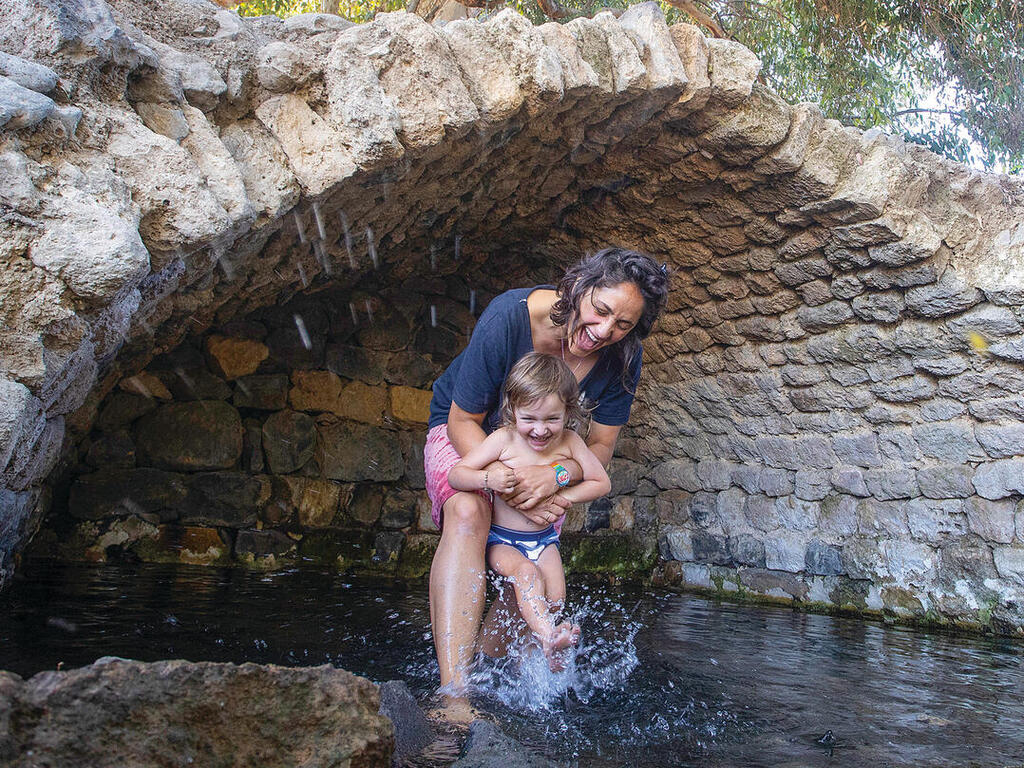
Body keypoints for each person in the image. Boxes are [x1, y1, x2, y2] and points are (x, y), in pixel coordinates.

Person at [424, 247, 669, 719]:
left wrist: (554, 476)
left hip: (549, 459)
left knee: (536, 568)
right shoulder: (509, 318)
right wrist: (512, 487)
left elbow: (599, 449)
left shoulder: (624, 357)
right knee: (468, 510)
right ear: (578, 287)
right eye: (600, 310)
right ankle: (453, 693)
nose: (604, 331)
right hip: (473, 439)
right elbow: (462, 421)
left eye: (623, 324)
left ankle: (489, 676)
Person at [448, 352, 611, 670]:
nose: (540, 430)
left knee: (555, 599)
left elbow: (600, 482)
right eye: (529, 419)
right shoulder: (503, 440)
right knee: (526, 575)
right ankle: (550, 638)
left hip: (544, 540)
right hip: (502, 541)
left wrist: (565, 498)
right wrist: (488, 479)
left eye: (552, 419)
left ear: (568, 411)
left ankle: (530, 664)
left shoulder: (570, 442)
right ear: (512, 409)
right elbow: (457, 475)